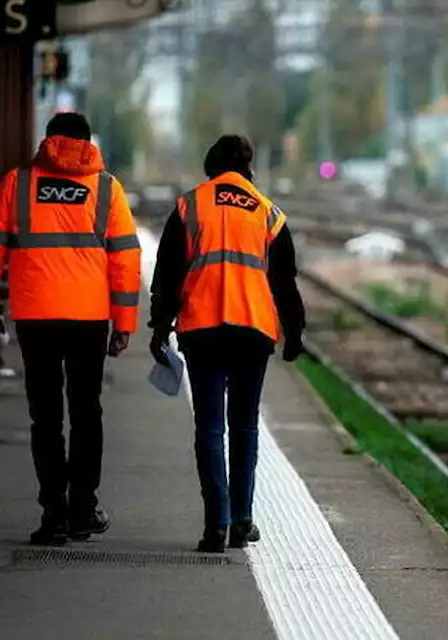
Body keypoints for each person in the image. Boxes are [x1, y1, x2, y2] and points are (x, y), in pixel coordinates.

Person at [0, 113, 142, 546]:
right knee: (86, 412)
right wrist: (123, 323)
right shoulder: (106, 188)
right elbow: (125, 259)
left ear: (48, 141)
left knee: (45, 415)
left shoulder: (19, 183)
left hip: (35, 316)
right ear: (88, 143)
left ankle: (54, 513)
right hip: (88, 318)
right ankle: (83, 510)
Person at [148, 135, 306, 553]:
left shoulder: (191, 206)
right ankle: (242, 521)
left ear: (211, 166)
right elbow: (285, 282)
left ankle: (215, 524)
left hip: (202, 328)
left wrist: (159, 325)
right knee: (245, 425)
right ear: (248, 169)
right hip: (252, 330)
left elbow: (167, 272)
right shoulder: (269, 214)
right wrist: (296, 332)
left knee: (210, 427)